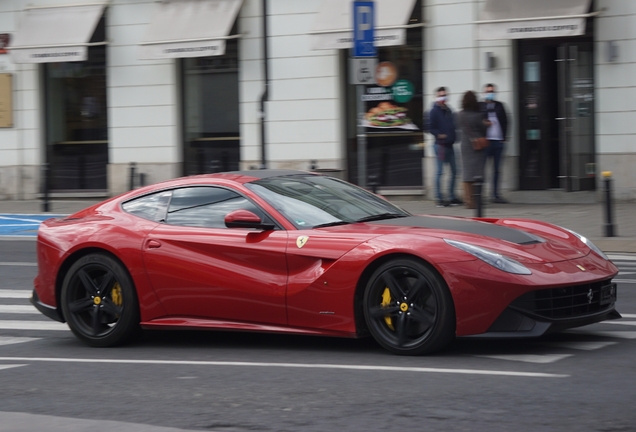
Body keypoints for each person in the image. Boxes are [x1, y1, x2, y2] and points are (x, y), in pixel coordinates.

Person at [429, 87, 462, 207]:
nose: (443, 98)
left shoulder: (449, 110)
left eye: (445, 95)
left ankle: (452, 196)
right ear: (436, 97)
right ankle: (439, 198)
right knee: (439, 172)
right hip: (440, 145)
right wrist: (439, 134)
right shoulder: (433, 111)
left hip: (450, 145)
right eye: (441, 95)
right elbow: (430, 127)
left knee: (455, 171)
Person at [458, 91, 490, 209]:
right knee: (478, 174)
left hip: (466, 146)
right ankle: (478, 199)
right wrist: (486, 125)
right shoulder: (479, 115)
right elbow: (483, 131)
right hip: (478, 146)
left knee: (466, 174)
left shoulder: (460, 115)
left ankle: (468, 201)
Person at [480, 83, 509, 203]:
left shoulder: (500, 106)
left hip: (498, 141)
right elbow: (477, 121)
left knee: (497, 170)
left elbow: (506, 121)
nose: (490, 93)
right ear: (484, 93)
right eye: (488, 91)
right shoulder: (481, 106)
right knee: (482, 170)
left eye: (492, 91)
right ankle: (480, 194)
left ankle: (495, 194)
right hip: (486, 142)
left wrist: (504, 137)